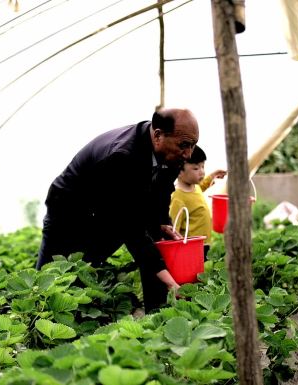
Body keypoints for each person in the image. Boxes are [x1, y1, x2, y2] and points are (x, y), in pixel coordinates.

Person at [36, 108, 199, 312]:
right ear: (158, 135)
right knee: (51, 273)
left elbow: (161, 193)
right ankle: (43, 313)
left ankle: (157, 312)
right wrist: (169, 282)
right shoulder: (123, 157)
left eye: (193, 145)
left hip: (107, 207)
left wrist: (162, 222)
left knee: (144, 244)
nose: (189, 153)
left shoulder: (172, 155)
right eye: (184, 145)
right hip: (69, 207)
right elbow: (130, 229)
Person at [169, 145, 226, 255]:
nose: (202, 172)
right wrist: (175, 246)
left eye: (203, 167)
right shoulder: (178, 196)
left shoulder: (194, 187)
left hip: (204, 243)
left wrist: (213, 176)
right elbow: (174, 225)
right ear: (179, 171)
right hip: (191, 246)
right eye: (196, 168)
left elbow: (202, 186)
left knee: (204, 270)